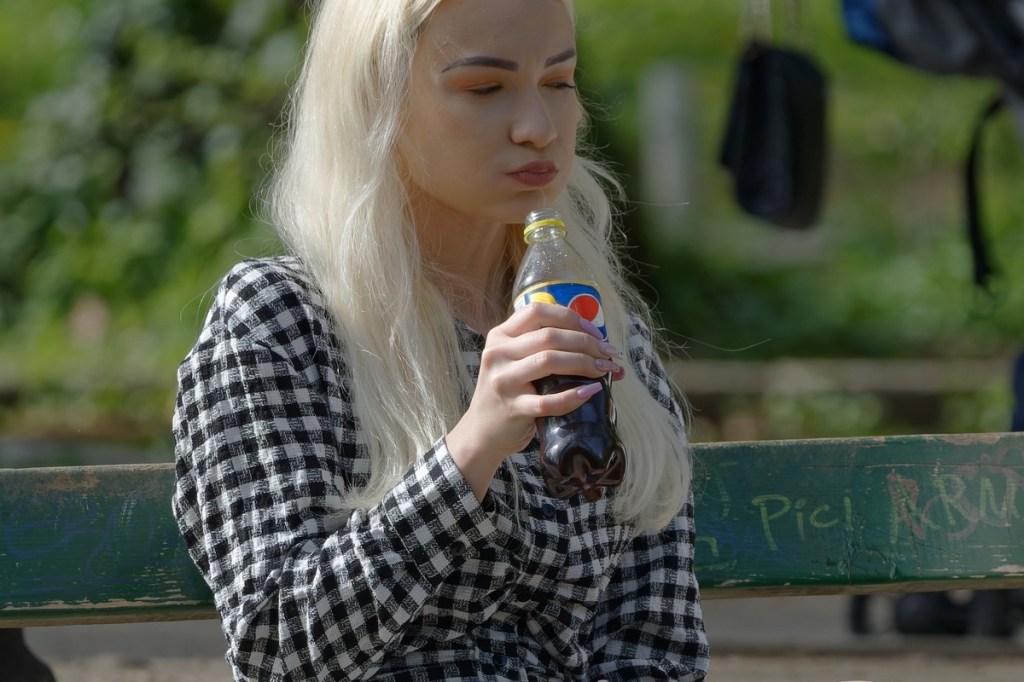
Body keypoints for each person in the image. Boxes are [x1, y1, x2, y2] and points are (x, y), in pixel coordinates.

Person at [171, 0, 709, 679]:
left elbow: (655, 648)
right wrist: (466, 457)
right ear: (377, 98)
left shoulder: (594, 326)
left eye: (559, 81)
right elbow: (279, 648)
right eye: (485, 88)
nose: (538, 128)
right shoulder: (280, 322)